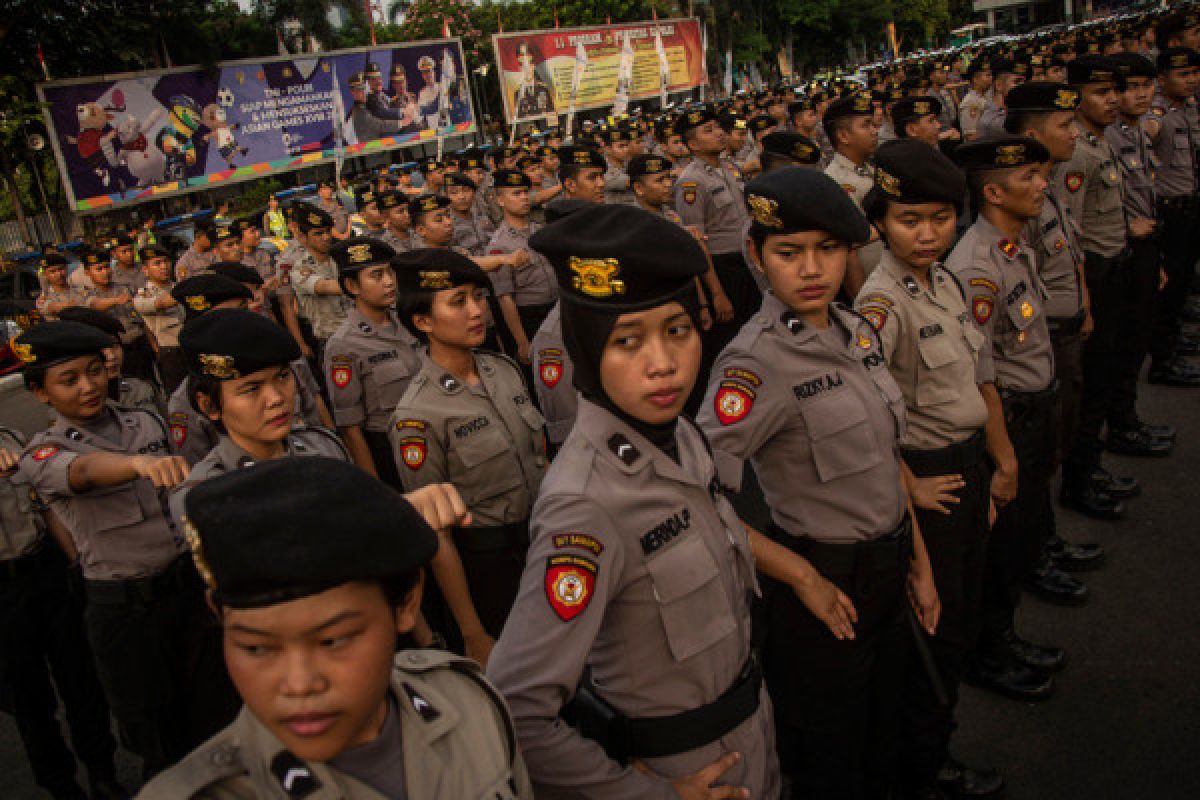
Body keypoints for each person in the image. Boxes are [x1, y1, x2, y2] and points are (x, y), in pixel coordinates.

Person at [490, 203, 807, 799]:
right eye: (628, 341)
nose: (663, 365)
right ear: (587, 352)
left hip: (749, 727)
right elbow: (517, 708)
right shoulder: (584, 503)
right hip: (681, 766)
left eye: (678, 331)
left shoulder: (680, 434)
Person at [694, 168, 936, 798]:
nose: (811, 269)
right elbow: (699, 497)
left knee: (888, 727)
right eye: (788, 252)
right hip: (826, 580)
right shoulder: (754, 363)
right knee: (831, 752)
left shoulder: (855, 330)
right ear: (756, 255)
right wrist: (800, 576)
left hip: (890, 564)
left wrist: (919, 559)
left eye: (828, 249)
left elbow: (885, 461)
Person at [137, 457, 534, 799]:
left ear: (405, 603)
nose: (299, 684)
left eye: (333, 640)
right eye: (257, 648)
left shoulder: (469, 702)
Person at [14, 320, 238, 780]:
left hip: (186, 593)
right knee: (159, 741)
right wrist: (135, 464)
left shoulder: (144, 420)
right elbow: (82, 472)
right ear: (40, 393)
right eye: (69, 379)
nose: (89, 386)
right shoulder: (42, 452)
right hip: (126, 613)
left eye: (95, 371)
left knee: (220, 719)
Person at [853, 141, 1005, 800]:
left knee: (961, 617)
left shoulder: (943, 281)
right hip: (929, 481)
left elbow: (973, 378)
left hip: (965, 472)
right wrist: (906, 482)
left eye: (941, 218)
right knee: (933, 636)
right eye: (908, 219)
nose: (926, 232)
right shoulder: (879, 304)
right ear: (882, 221)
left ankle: (931, 747)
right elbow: (861, 416)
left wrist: (998, 464)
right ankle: (924, 765)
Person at [946, 138, 1062, 703]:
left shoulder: (1014, 246)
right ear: (992, 191)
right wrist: (1005, 455)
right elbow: (979, 370)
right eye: (1029, 177)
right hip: (1008, 419)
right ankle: (988, 652)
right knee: (1000, 545)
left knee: (1020, 537)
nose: (1043, 185)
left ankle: (1005, 636)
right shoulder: (976, 266)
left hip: (1034, 408)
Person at [389, 248, 547, 658]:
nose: (476, 310)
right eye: (457, 302)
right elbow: (436, 534)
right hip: (489, 565)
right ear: (423, 321)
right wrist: (472, 631)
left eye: (478, 296)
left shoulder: (503, 369)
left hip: (544, 538)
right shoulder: (417, 414)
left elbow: (539, 458)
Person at [0, 425, 124, 800]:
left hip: (46, 572)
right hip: (3, 598)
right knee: (30, 701)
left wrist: (77, 568)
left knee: (82, 682)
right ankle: (61, 787)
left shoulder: (10, 437)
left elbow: (47, 507)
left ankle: (103, 775)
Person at [168, 308, 349, 524]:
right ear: (209, 406)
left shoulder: (323, 446)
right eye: (252, 389)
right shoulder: (204, 496)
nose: (276, 399)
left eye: (282, 377)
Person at [1055, 56, 1136, 518]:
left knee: (1109, 370)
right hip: (1095, 274)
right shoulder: (1079, 154)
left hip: (1115, 263)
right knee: (1092, 380)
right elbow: (1073, 234)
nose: (1114, 100)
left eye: (1114, 92)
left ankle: (1092, 466)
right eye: (1102, 93)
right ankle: (1079, 479)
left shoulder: (1100, 143)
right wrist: (1084, 297)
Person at [1105, 53, 1179, 447]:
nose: (1140, 95)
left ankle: (1127, 416)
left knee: (1137, 339)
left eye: (1145, 86)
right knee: (1123, 342)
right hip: (1124, 250)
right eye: (1130, 87)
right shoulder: (1109, 136)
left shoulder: (1135, 132)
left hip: (1146, 245)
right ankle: (1120, 423)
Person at [323, 238, 422, 486]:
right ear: (352, 285)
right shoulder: (343, 346)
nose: (389, 281)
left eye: (390, 272)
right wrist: (375, 486)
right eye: (376, 275)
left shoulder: (408, 322)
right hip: (390, 449)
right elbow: (350, 427)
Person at [674, 106, 757, 359]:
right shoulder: (691, 182)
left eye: (718, 127)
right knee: (734, 342)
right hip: (723, 268)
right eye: (708, 131)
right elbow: (697, 243)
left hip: (748, 260)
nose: (719, 133)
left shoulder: (730, 167)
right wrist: (717, 294)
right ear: (693, 144)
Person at [1146, 47, 1200, 386]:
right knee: (1169, 288)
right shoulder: (1159, 115)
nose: (1192, 80)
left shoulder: (1188, 111)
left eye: (1195, 73)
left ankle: (1175, 341)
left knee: (1181, 285)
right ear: (1162, 80)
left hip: (1190, 203)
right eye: (1184, 74)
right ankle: (1163, 360)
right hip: (1170, 209)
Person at [486, 169, 559, 366]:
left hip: (556, 309)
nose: (524, 197)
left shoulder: (540, 230)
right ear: (500, 200)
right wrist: (522, 342)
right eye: (516, 194)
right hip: (531, 317)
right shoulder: (499, 245)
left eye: (525, 192)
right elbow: (505, 298)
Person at [56, 307, 165, 416]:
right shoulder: (69, 402)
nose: (111, 356)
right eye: (101, 350)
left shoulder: (141, 388)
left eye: (114, 346)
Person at [823, 93, 883, 284]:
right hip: (872, 281)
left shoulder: (870, 167)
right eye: (866, 125)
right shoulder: (835, 180)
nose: (875, 131)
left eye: (874, 125)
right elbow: (848, 249)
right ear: (843, 136)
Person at [291, 205, 351, 358]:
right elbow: (323, 286)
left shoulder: (340, 258)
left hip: (356, 331)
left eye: (327, 231)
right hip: (331, 339)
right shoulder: (300, 268)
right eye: (318, 233)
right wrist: (363, 284)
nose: (326, 237)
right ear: (304, 237)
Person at [131, 244, 187, 394]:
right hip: (171, 352)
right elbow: (161, 303)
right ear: (145, 270)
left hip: (190, 346)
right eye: (157, 263)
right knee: (178, 395)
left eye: (166, 261)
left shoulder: (178, 286)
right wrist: (186, 287)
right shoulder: (144, 295)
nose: (164, 266)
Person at [34, 253, 83, 320]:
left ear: (66, 268)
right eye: (52, 271)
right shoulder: (45, 297)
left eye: (61, 269)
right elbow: (54, 307)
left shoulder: (80, 288)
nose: (59, 274)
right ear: (45, 274)